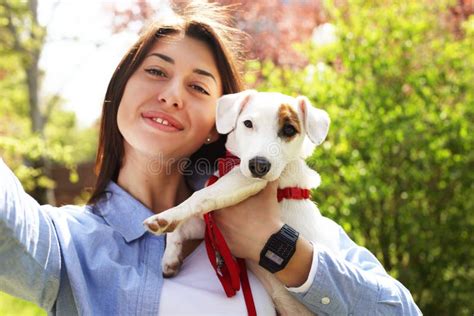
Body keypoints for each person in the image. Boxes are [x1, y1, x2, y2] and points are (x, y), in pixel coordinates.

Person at [0, 1, 422, 315]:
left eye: (199, 87)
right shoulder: (68, 244)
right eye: (156, 71)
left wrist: (276, 246)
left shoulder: (286, 214)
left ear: (221, 124)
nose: (171, 94)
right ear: (119, 93)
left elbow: (401, 310)